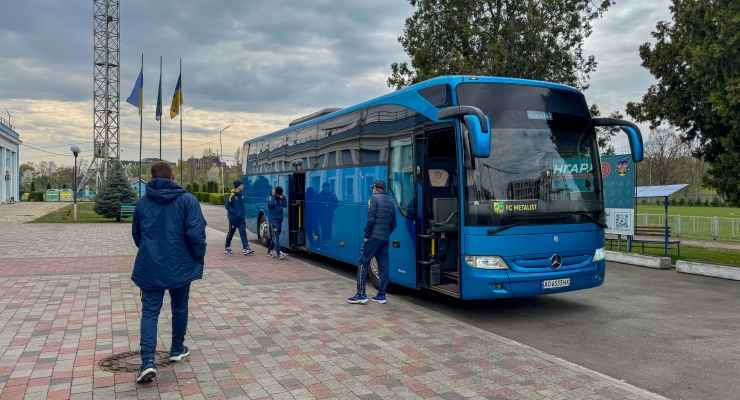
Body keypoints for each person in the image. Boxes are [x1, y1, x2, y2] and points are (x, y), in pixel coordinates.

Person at [131, 162, 207, 383]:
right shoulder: (188, 200)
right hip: (179, 264)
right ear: (173, 176)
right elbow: (196, 234)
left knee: (150, 312)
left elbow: (137, 234)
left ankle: (147, 361)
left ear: (151, 179)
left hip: (150, 266)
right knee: (180, 307)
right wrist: (197, 257)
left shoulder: (142, 202)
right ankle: (177, 348)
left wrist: (150, 251)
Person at [349, 179, 396, 305]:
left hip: (373, 238)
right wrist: (385, 234)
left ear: (375, 189)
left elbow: (371, 219)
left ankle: (361, 295)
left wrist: (367, 235)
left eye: (373, 188)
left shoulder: (374, 199)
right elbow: (394, 223)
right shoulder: (390, 202)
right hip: (384, 239)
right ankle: (381, 296)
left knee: (362, 263)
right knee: (383, 267)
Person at [225, 180, 254, 255]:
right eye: (242, 185)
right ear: (238, 186)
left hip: (241, 218)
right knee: (231, 233)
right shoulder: (231, 195)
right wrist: (234, 212)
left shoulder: (241, 194)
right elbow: (227, 205)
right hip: (233, 218)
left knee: (243, 233)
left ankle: (246, 248)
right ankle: (227, 247)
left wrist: (242, 214)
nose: (243, 186)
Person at [267, 185, 288, 259]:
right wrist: (273, 196)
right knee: (276, 236)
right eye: (278, 194)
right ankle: (279, 252)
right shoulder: (270, 197)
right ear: (275, 193)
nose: (279, 195)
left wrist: (283, 197)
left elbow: (285, 205)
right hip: (273, 220)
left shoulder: (280, 198)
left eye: (280, 194)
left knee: (276, 236)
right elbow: (270, 204)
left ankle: (269, 250)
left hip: (279, 220)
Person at [318, 182, 338, 247]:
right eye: (322, 187)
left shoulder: (332, 195)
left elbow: (336, 204)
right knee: (323, 227)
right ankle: (324, 241)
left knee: (329, 226)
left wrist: (331, 210)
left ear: (327, 187)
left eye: (324, 187)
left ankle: (329, 239)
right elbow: (317, 203)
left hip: (329, 214)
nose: (323, 188)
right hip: (322, 214)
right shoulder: (320, 195)